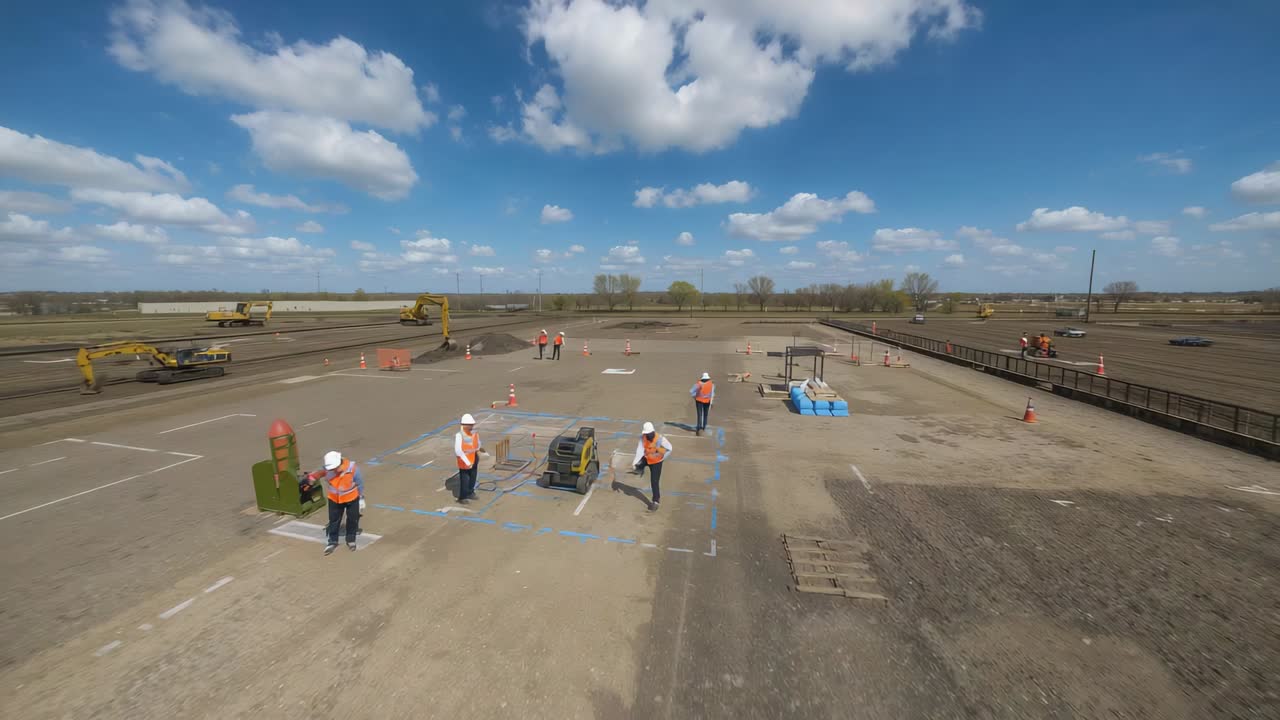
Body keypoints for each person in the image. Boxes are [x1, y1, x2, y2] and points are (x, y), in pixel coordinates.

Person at [312, 450, 363, 555]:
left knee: (352, 519)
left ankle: (350, 539)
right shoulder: (327, 469)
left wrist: (361, 497)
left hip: (351, 499)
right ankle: (332, 541)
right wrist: (310, 478)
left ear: (339, 463)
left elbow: (359, 483)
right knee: (334, 521)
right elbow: (317, 474)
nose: (333, 470)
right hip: (334, 499)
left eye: (334, 468)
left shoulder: (352, 468)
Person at [630, 422, 672, 510]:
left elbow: (669, 448)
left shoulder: (660, 439)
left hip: (657, 462)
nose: (647, 435)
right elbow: (640, 450)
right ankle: (640, 469)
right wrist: (635, 462)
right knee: (638, 464)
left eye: (648, 434)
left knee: (654, 482)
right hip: (647, 458)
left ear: (652, 432)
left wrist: (663, 457)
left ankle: (656, 501)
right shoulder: (643, 438)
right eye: (646, 434)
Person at [454, 413, 482, 502]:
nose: (472, 426)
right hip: (464, 461)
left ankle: (470, 492)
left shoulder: (473, 434)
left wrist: (478, 453)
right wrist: (467, 462)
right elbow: (458, 451)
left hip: (473, 459)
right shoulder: (459, 436)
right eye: (470, 425)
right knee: (465, 480)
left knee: (473, 477)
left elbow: (477, 444)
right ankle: (462, 497)